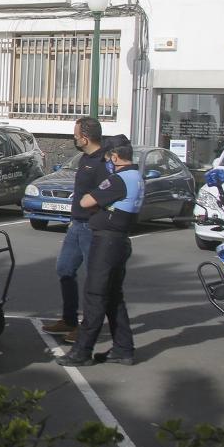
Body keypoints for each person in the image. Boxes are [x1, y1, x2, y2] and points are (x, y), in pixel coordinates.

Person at [57, 135, 141, 367]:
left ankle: (81, 352)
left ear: (115, 157)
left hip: (107, 243)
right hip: (118, 241)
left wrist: (94, 200)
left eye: (108, 158)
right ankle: (123, 349)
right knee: (113, 297)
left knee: (95, 296)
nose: (107, 163)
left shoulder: (119, 180)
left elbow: (86, 202)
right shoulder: (136, 176)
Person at [43, 116, 105, 343]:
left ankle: (88, 326)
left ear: (85, 138)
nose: (74, 138)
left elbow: (106, 195)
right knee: (65, 269)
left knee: (92, 279)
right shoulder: (85, 159)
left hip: (91, 226)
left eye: (76, 135)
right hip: (76, 224)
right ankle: (69, 319)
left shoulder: (103, 163)